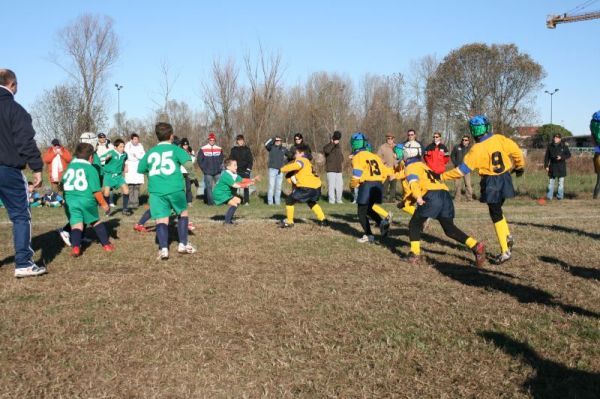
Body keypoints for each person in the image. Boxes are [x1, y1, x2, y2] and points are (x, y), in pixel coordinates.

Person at [441, 115, 524, 264]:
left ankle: (505, 250)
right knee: (498, 210)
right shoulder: (499, 138)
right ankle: (507, 237)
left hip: (491, 181)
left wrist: (442, 176)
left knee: (495, 214)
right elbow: (516, 151)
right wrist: (519, 166)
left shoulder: (476, 149)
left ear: (473, 132)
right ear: (487, 127)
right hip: (505, 178)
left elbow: (461, 171)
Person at [399, 145, 485, 266]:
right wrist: (406, 202)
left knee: (414, 224)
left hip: (432, 196)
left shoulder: (410, 167)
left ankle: (414, 254)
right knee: (449, 229)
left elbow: (414, 183)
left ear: (407, 154)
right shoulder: (423, 166)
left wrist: (418, 197)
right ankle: (475, 245)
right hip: (444, 195)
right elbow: (425, 184)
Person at [0, 69, 46, 277]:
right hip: (7, 169)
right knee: (20, 215)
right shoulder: (15, 109)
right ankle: (23, 263)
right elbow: (25, 141)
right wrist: (36, 168)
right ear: (12, 84)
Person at [138, 122, 197, 259]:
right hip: (175, 188)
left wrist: (153, 173)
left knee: (161, 219)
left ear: (157, 136)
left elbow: (141, 169)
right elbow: (188, 164)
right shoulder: (176, 150)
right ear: (171, 136)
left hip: (156, 191)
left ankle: (164, 249)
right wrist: (193, 177)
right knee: (182, 213)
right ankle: (183, 244)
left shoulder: (151, 152)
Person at [62, 143, 114, 256]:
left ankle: (76, 247)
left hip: (70, 201)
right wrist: (104, 204)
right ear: (91, 157)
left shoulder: (70, 167)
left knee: (76, 225)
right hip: (86, 200)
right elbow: (96, 191)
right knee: (95, 221)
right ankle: (106, 245)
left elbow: (63, 184)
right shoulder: (91, 169)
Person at [350, 133, 393, 243]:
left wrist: (353, 185)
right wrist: (379, 182)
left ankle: (369, 235)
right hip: (378, 185)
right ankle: (382, 223)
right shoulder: (374, 156)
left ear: (354, 144)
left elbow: (356, 175)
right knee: (369, 209)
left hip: (367, 185)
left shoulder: (358, 156)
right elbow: (385, 172)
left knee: (361, 212)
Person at [279, 144, 328, 228]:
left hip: (307, 187)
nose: (295, 154)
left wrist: (282, 169)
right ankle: (323, 220)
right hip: (316, 187)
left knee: (289, 201)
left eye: (296, 153)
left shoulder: (301, 160)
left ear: (302, 153)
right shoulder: (308, 163)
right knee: (311, 202)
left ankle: (290, 222)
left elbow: (297, 165)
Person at [212, 159, 259, 224]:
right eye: (234, 165)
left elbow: (241, 180)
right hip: (219, 194)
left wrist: (252, 179)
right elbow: (235, 185)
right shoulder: (226, 175)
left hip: (225, 193)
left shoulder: (233, 174)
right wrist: (246, 185)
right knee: (234, 204)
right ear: (228, 167)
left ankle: (228, 221)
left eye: (236, 165)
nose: (236, 167)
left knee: (238, 201)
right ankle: (227, 222)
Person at [100, 139, 132, 216]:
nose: (123, 148)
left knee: (126, 190)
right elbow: (100, 159)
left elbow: (126, 159)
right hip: (109, 175)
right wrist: (106, 158)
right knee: (106, 193)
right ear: (115, 147)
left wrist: (126, 166)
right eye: (121, 147)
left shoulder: (125, 154)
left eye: (123, 147)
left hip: (119, 175)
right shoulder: (111, 153)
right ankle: (107, 210)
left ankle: (125, 209)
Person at [197, 132, 223, 205]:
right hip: (208, 172)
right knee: (209, 187)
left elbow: (221, 159)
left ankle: (219, 201)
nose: (212, 141)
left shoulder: (219, 149)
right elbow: (199, 160)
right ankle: (211, 203)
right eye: (210, 140)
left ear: (215, 140)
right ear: (208, 140)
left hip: (217, 172)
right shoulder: (203, 149)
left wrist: (220, 167)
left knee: (219, 187)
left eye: (213, 140)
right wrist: (204, 169)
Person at [544, 133, 571, 200]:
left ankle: (560, 197)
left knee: (560, 183)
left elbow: (569, 155)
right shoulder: (550, 146)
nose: (556, 139)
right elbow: (546, 157)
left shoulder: (564, 146)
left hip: (561, 166)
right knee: (551, 183)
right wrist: (546, 166)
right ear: (553, 138)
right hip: (552, 166)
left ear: (560, 138)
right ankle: (549, 197)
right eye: (555, 137)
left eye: (557, 138)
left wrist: (561, 157)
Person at [229, 134, 254, 205]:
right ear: (237, 141)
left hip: (245, 171)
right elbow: (231, 160)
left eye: (242, 140)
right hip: (236, 171)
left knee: (246, 187)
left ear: (243, 141)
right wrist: (233, 170)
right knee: (235, 186)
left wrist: (248, 170)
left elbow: (250, 161)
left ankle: (246, 201)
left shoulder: (247, 149)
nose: (240, 141)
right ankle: (234, 200)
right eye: (239, 140)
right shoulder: (233, 150)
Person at [124, 133, 145, 209]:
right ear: (131, 139)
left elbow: (143, 155)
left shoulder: (140, 146)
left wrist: (137, 156)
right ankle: (130, 202)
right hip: (130, 165)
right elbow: (126, 156)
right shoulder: (127, 146)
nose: (136, 141)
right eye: (135, 139)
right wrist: (126, 165)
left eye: (137, 139)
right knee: (130, 185)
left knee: (137, 185)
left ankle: (136, 202)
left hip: (137, 166)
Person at [264, 135, 287, 205]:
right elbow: (266, 144)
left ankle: (277, 202)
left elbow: (290, 156)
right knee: (271, 186)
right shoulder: (271, 147)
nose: (277, 142)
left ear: (281, 141)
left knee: (278, 187)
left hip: (281, 170)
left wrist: (285, 162)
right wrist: (273, 138)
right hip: (272, 169)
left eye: (279, 140)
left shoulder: (284, 149)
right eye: (276, 141)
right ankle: (270, 203)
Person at [323, 130, 344, 204]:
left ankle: (339, 200)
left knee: (340, 185)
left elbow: (341, 156)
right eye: (336, 139)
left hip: (339, 170)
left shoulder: (339, 147)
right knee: (331, 186)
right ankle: (331, 200)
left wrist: (341, 159)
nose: (337, 140)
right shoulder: (328, 146)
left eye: (338, 139)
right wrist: (332, 143)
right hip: (331, 169)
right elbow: (326, 151)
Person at [450, 135, 474, 201]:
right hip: (457, 169)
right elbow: (452, 156)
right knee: (457, 184)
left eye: (466, 140)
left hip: (466, 169)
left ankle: (469, 198)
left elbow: (473, 158)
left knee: (468, 184)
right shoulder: (457, 147)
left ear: (468, 141)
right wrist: (456, 164)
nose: (464, 141)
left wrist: (470, 166)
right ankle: (457, 198)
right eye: (463, 140)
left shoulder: (471, 149)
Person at [377, 133, 398, 202]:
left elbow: (401, 156)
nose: (389, 140)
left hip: (394, 169)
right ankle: (384, 198)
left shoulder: (397, 147)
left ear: (393, 139)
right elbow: (378, 157)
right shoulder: (382, 147)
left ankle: (392, 199)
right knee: (385, 185)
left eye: (391, 138)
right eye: (388, 138)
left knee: (393, 185)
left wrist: (397, 163)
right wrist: (383, 161)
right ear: (386, 139)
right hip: (385, 169)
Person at [95, 132, 114, 206]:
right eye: (100, 137)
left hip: (108, 166)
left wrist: (109, 157)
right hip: (99, 167)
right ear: (98, 138)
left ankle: (111, 201)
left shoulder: (110, 145)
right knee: (98, 185)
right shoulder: (95, 146)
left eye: (103, 137)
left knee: (109, 184)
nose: (102, 139)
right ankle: (99, 202)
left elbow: (113, 153)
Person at [590, 111, 600, 199]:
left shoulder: (593, 131)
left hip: (597, 157)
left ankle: (595, 197)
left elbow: (596, 149)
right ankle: (595, 197)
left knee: (599, 180)